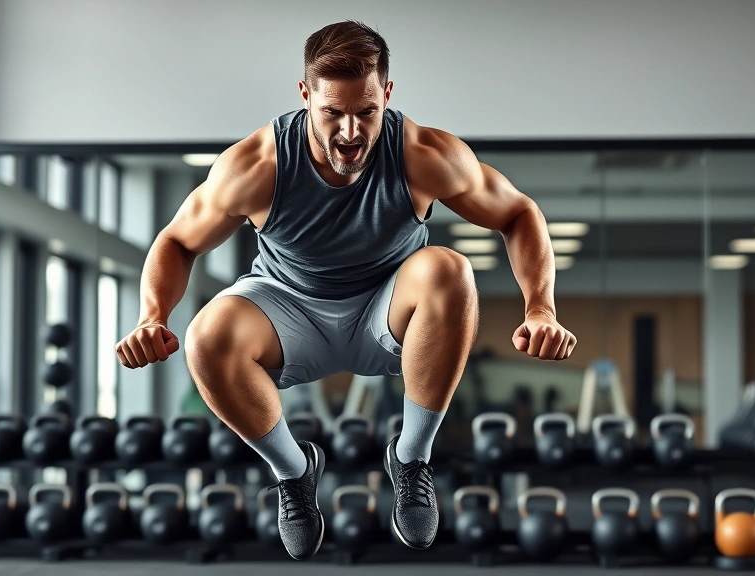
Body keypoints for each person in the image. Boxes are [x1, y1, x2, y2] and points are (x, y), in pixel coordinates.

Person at [115, 20, 577, 560]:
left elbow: (518, 212)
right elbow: (177, 241)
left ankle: (411, 459)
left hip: (388, 309)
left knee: (450, 269)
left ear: (387, 93)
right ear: (306, 94)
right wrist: (152, 316)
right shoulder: (257, 165)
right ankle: (294, 471)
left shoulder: (422, 153)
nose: (351, 133)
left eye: (366, 112)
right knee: (205, 336)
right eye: (333, 112)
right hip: (288, 310)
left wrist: (540, 307)